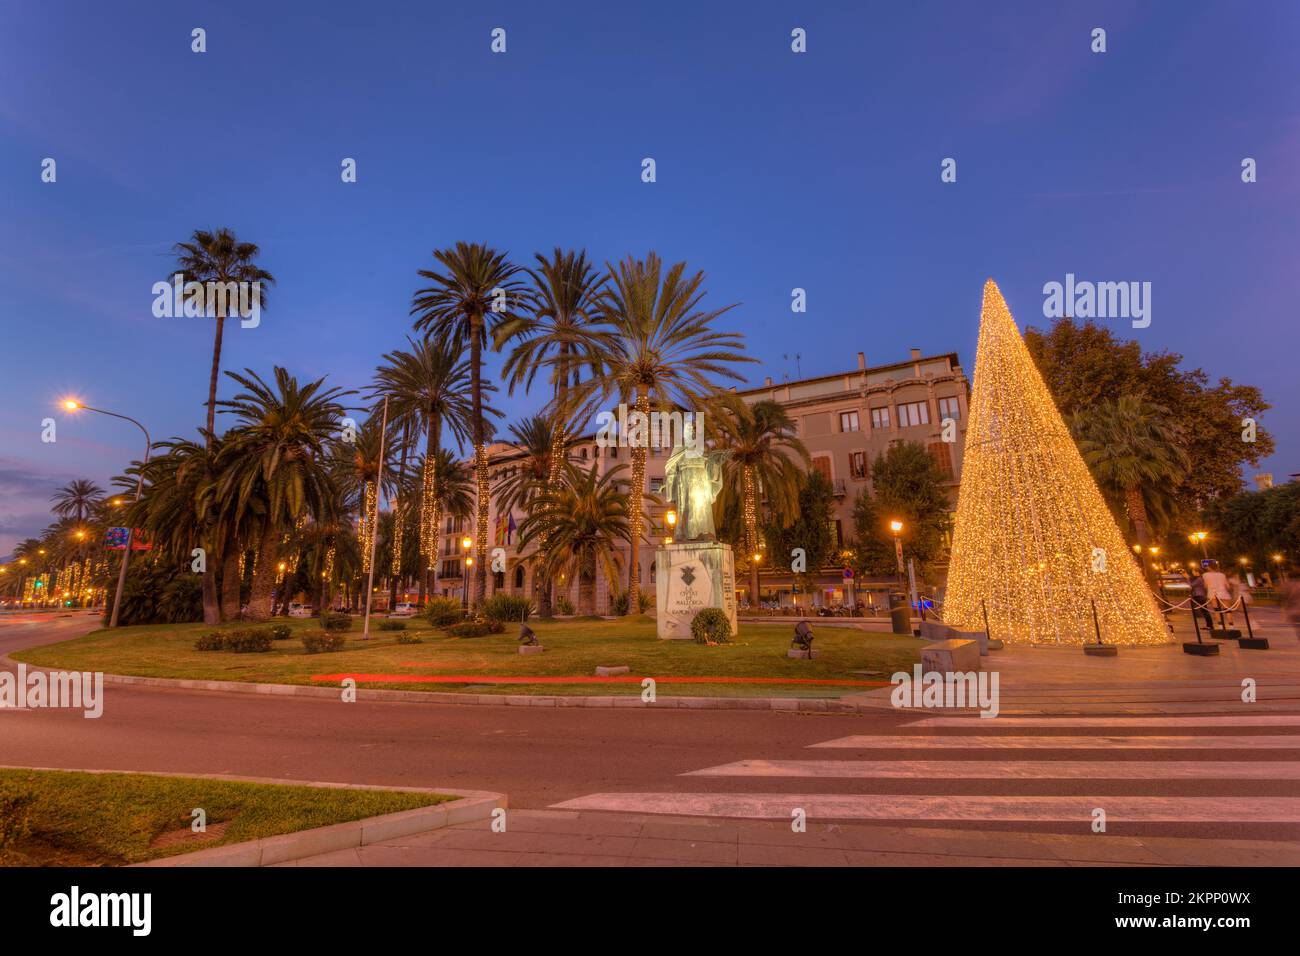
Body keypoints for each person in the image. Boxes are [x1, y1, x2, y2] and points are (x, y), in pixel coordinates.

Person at [1202, 560, 1234, 627]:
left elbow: (1205, 585)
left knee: (1216, 610)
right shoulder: (1222, 575)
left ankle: (1220, 625)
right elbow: (1227, 586)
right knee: (1227, 610)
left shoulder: (1205, 575)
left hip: (1213, 593)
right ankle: (1231, 626)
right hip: (1223, 593)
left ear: (1208, 567)